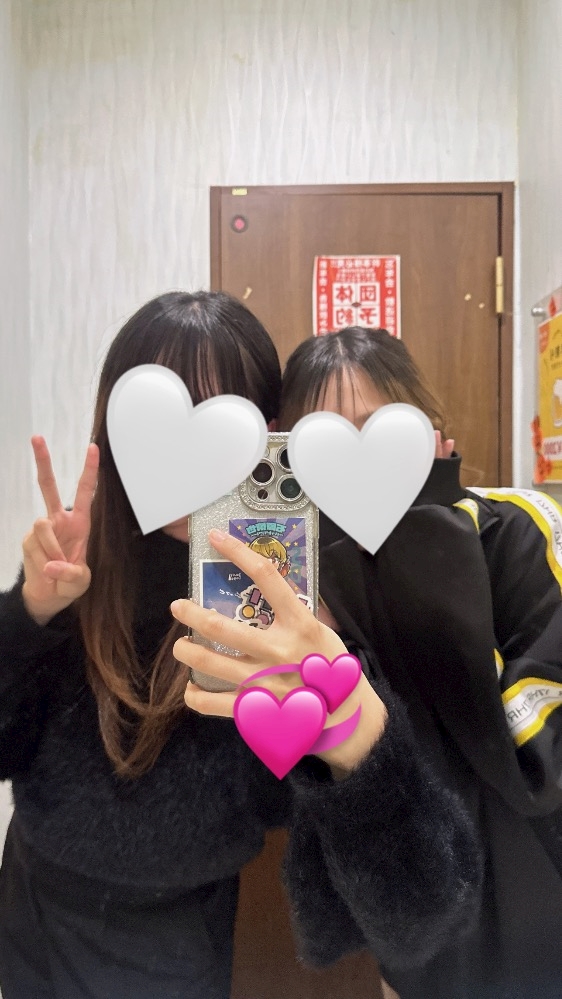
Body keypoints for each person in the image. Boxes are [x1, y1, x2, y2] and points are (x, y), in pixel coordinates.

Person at [0, 296, 481, 999]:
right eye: (158, 424)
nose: (185, 455)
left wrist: (349, 726)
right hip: (35, 916)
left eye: (220, 417)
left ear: (268, 435)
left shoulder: (292, 599)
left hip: (183, 940)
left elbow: (420, 916)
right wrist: (29, 613)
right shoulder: (77, 571)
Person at [275, 326, 562, 998]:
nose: (357, 461)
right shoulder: (302, 581)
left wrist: (416, 547)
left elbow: (538, 767)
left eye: (379, 430)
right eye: (323, 443)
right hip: (414, 950)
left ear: (437, 437)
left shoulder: (519, 528)